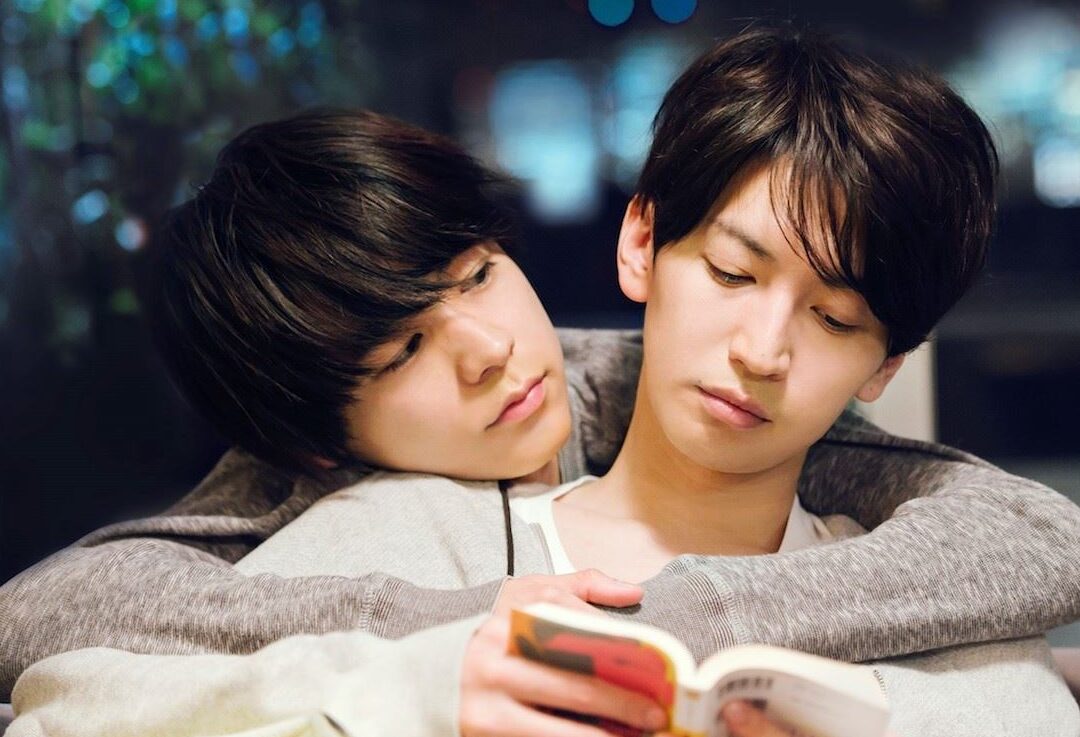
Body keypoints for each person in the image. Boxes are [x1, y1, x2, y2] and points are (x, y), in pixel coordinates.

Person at [5, 30, 1080, 735]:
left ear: (886, 362)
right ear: (642, 244)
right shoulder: (383, 529)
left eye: (835, 318)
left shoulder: (915, 571)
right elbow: (54, 672)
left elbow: (1023, 545)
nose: (762, 349)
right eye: (731, 272)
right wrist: (414, 679)